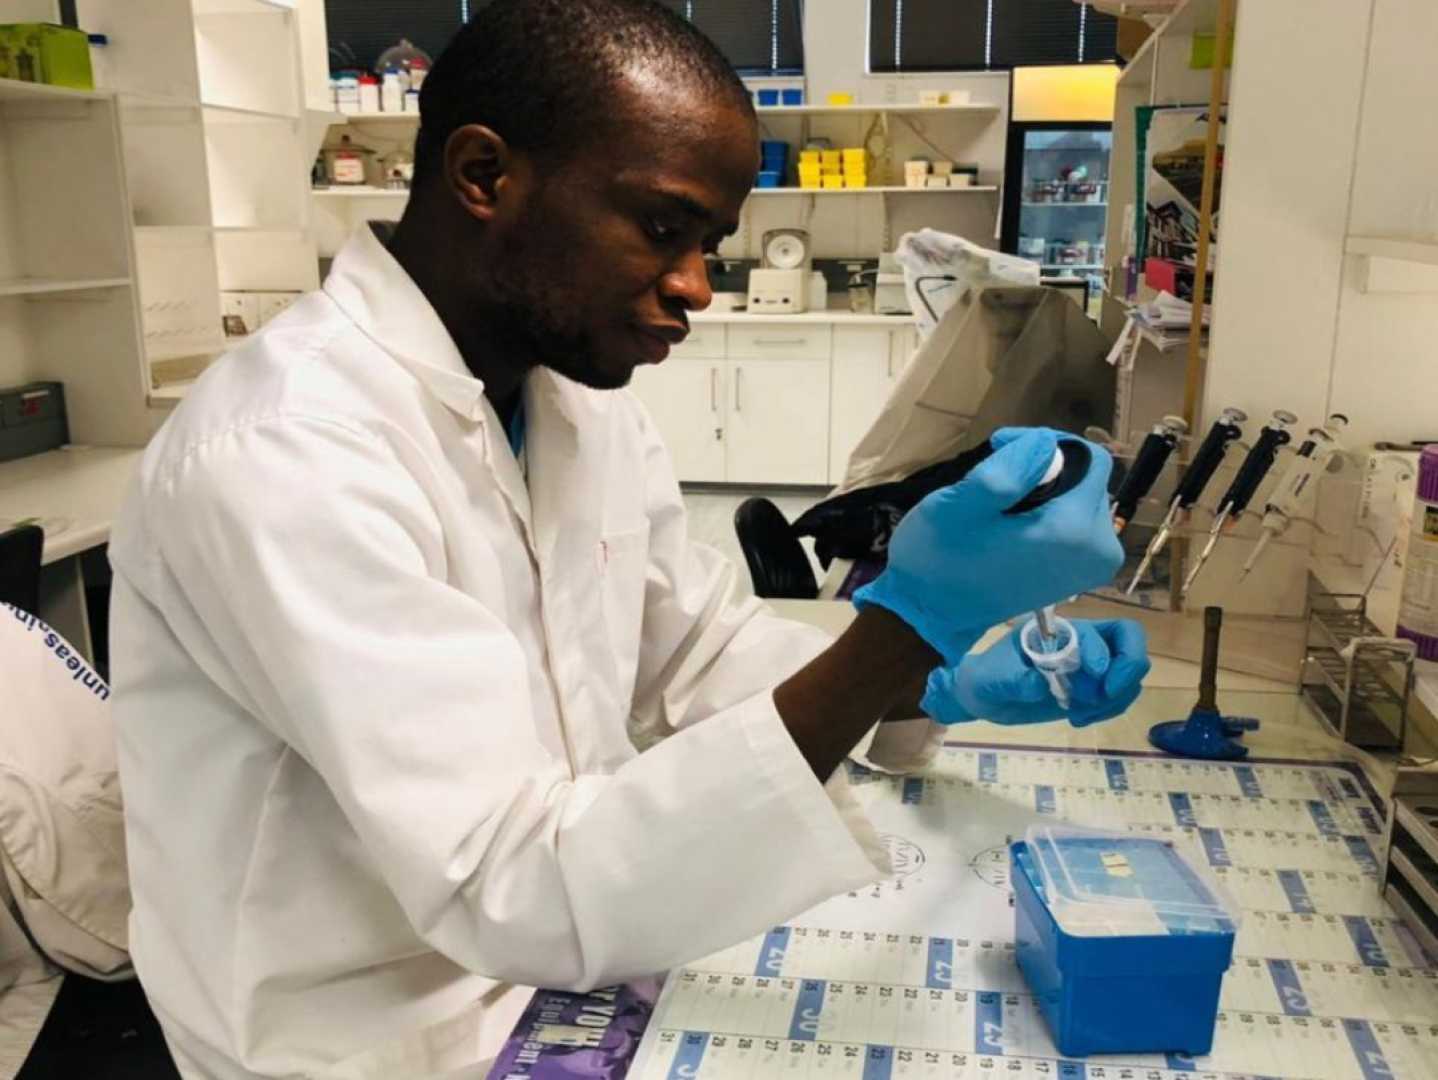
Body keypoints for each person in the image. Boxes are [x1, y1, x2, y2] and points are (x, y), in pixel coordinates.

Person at [107, 2, 1149, 1077]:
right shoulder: (288, 452)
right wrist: (908, 629)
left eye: (711, 246)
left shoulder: (568, 400)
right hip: (362, 1037)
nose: (696, 285)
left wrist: (939, 679)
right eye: (662, 228)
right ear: (483, 175)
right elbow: (510, 880)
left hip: (568, 961)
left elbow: (693, 655)